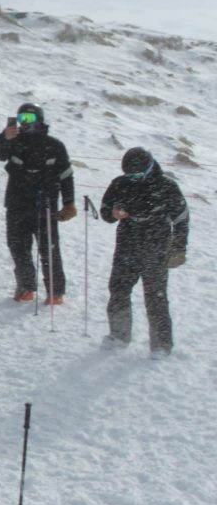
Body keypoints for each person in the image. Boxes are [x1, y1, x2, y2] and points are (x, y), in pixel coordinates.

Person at [101, 147, 189, 354]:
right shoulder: (119, 184)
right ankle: (119, 335)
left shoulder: (167, 187)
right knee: (118, 289)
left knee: (155, 296)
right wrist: (113, 213)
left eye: (138, 175)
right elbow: (105, 212)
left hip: (156, 246)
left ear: (150, 168)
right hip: (127, 244)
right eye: (129, 175)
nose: (133, 178)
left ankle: (161, 345)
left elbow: (182, 219)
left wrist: (178, 248)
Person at [0, 102, 75, 302]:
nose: (25, 123)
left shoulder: (54, 145)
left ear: (40, 119)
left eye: (29, 119)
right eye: (21, 119)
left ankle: (55, 292)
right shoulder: (13, 140)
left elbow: (66, 175)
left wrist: (69, 203)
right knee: (18, 247)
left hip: (45, 205)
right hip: (16, 203)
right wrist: (4, 137)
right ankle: (26, 287)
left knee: (49, 249)